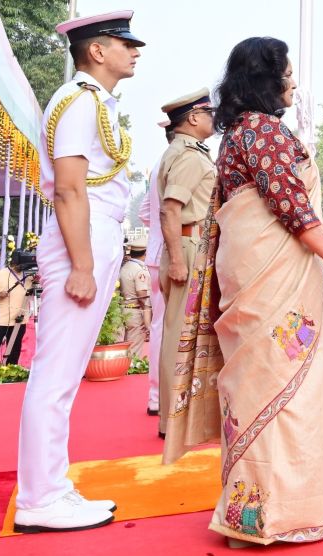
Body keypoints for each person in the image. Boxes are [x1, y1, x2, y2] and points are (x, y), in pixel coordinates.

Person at [163, 37, 323, 546]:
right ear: (266, 81)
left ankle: (253, 514)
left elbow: (273, 206)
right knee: (284, 386)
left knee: (259, 384)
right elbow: (288, 207)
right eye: (286, 75)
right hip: (271, 279)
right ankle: (281, 513)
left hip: (253, 271)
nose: (292, 83)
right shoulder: (265, 131)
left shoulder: (236, 134)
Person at [15, 10, 143, 533]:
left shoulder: (95, 102)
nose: (135, 51)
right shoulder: (79, 100)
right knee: (56, 374)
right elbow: (69, 187)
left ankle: (50, 486)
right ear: (97, 50)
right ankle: (40, 498)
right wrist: (83, 265)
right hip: (80, 237)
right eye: (125, 43)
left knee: (64, 376)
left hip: (94, 232)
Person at [155, 87, 217, 438]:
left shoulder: (186, 152)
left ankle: (179, 418)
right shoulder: (189, 156)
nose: (214, 119)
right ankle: (172, 421)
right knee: (179, 335)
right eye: (209, 113)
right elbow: (171, 209)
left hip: (192, 244)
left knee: (185, 335)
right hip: (189, 245)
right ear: (193, 118)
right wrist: (178, 260)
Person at [138, 124, 173, 416]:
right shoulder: (177, 159)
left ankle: (156, 396)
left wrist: (158, 236)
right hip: (173, 254)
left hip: (159, 252)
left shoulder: (160, 162)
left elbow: (144, 213)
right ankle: (162, 396)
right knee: (168, 327)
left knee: (161, 325)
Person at [0, 254, 35, 367]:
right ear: (14, 262)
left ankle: (11, 373)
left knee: (15, 350)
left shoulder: (30, 277)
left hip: (19, 320)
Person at [118, 236, 151, 360]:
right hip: (135, 311)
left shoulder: (125, 267)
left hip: (123, 309)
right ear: (146, 253)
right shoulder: (140, 270)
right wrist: (147, 313)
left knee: (125, 343)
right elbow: (142, 295)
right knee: (135, 345)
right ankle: (132, 366)